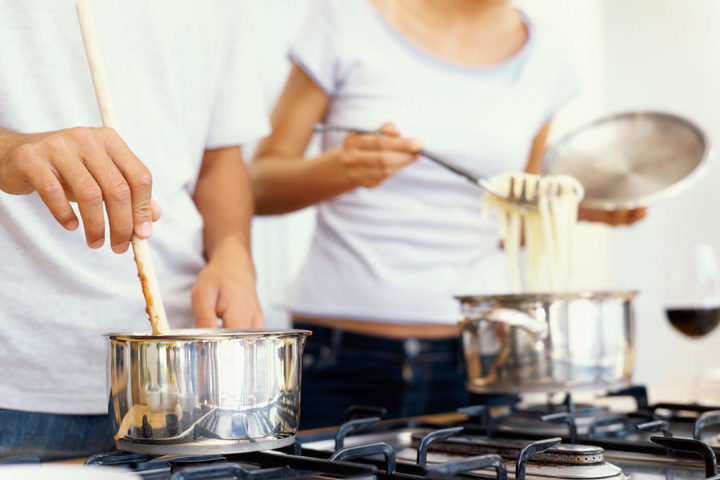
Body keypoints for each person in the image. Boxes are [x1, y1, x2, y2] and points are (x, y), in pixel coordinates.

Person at [250, 0, 646, 429]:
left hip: (477, 362)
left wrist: (582, 210)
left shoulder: (548, 57)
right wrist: (343, 170)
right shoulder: (346, 19)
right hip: (337, 358)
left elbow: (509, 220)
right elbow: (256, 186)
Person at [0, 0, 267, 459]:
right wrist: (10, 149)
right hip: (15, 384)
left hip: (181, 392)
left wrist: (232, 250)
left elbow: (219, 158)